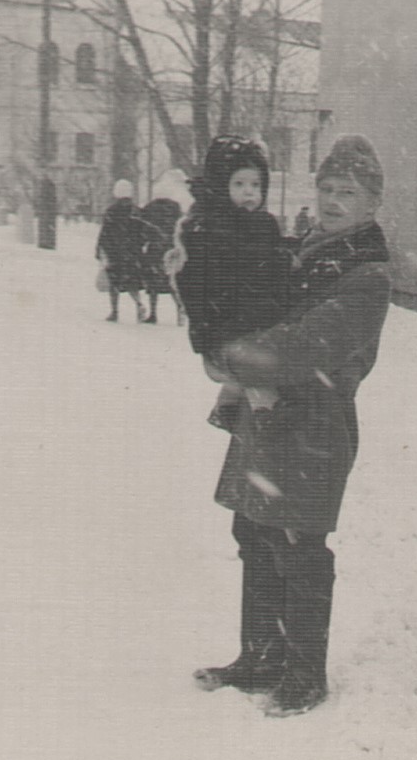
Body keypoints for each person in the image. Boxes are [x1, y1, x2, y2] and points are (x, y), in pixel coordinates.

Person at [194, 134, 392, 717]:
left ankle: (305, 674)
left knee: (298, 546)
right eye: (326, 188)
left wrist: (230, 356)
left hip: (315, 422)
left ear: (370, 203)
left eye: (347, 192)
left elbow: (306, 344)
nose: (332, 200)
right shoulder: (297, 250)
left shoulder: (368, 273)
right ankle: (261, 656)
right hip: (265, 415)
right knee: (254, 533)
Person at [170, 135, 291, 425]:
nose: (249, 192)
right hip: (224, 326)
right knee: (262, 378)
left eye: (256, 185)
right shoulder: (208, 228)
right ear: (222, 187)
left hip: (245, 323)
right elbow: (204, 283)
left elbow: (269, 263)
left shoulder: (261, 223)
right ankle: (264, 415)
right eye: (239, 184)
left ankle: (229, 403)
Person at [95, 179, 147, 322]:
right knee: (132, 282)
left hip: (115, 252)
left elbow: (105, 233)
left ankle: (114, 311)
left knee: (114, 283)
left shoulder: (111, 211)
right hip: (133, 253)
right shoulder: (136, 211)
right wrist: (139, 246)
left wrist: (100, 250)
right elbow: (143, 232)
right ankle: (139, 304)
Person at [136, 197, 186, 325]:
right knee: (170, 283)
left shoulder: (150, 213)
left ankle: (153, 313)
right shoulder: (175, 212)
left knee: (153, 284)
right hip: (169, 250)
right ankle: (179, 309)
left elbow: (143, 232)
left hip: (154, 251)